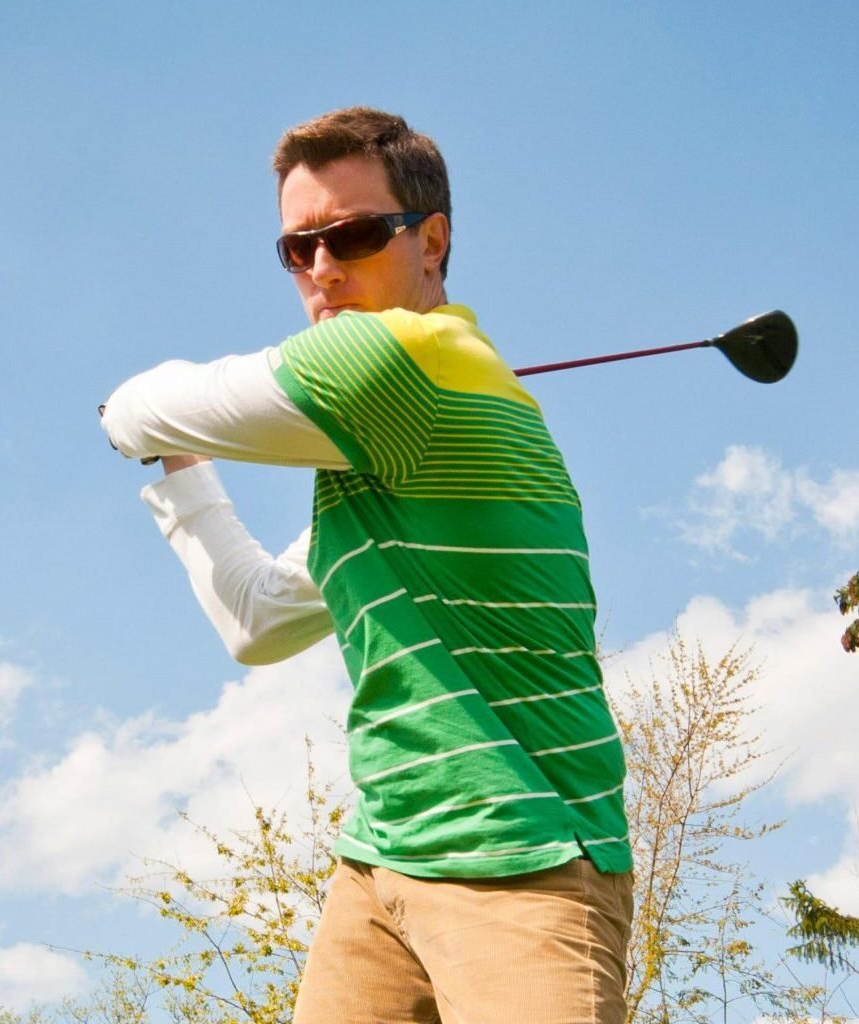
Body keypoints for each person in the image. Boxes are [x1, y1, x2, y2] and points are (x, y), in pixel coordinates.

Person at [102, 106, 633, 1024]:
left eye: (351, 235)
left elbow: (140, 407)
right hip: (381, 861)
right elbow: (260, 618)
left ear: (432, 241)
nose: (322, 269)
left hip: (526, 859)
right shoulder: (386, 454)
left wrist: (126, 419)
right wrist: (182, 463)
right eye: (296, 248)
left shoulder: (401, 358)